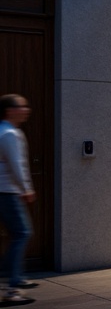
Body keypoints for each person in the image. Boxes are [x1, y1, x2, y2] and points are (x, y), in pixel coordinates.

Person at [0, 95, 35, 306]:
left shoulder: (5, 131)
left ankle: (16, 277)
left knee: (18, 234)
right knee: (22, 234)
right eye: (22, 106)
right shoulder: (10, 134)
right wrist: (27, 188)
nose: (26, 110)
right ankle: (11, 288)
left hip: (6, 190)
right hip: (8, 191)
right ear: (10, 111)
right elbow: (16, 165)